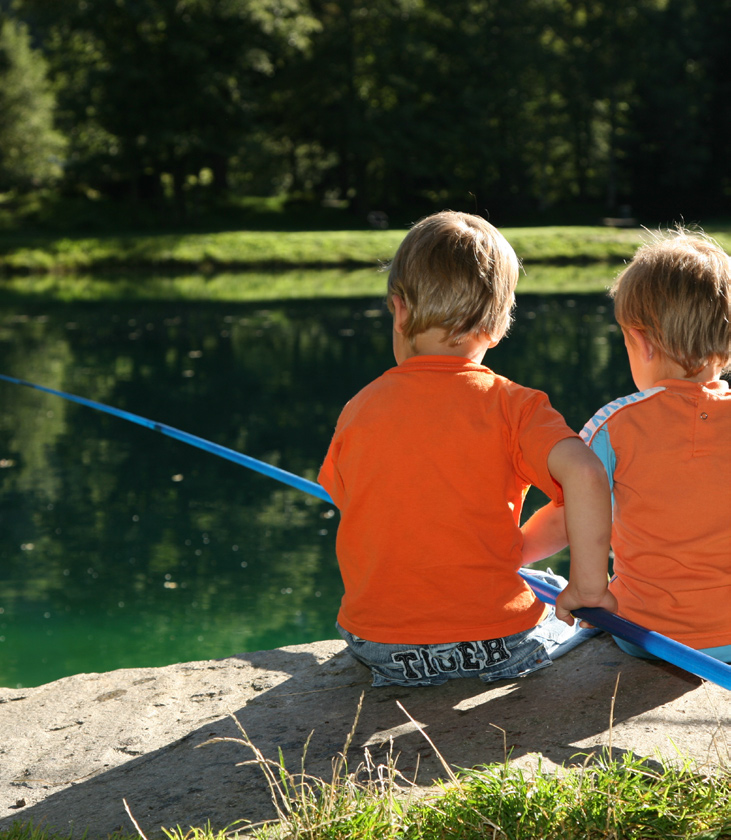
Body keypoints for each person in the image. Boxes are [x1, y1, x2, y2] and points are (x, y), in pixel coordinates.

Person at [318, 210, 614, 687]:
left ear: (399, 309)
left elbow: (354, 504)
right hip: (496, 646)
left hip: (382, 649)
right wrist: (588, 586)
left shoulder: (359, 407)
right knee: (558, 590)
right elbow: (584, 475)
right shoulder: (516, 406)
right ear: (499, 326)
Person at [521, 228, 731, 662]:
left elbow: (567, 519)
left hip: (646, 635)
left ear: (641, 341)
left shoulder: (614, 425)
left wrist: (509, 553)